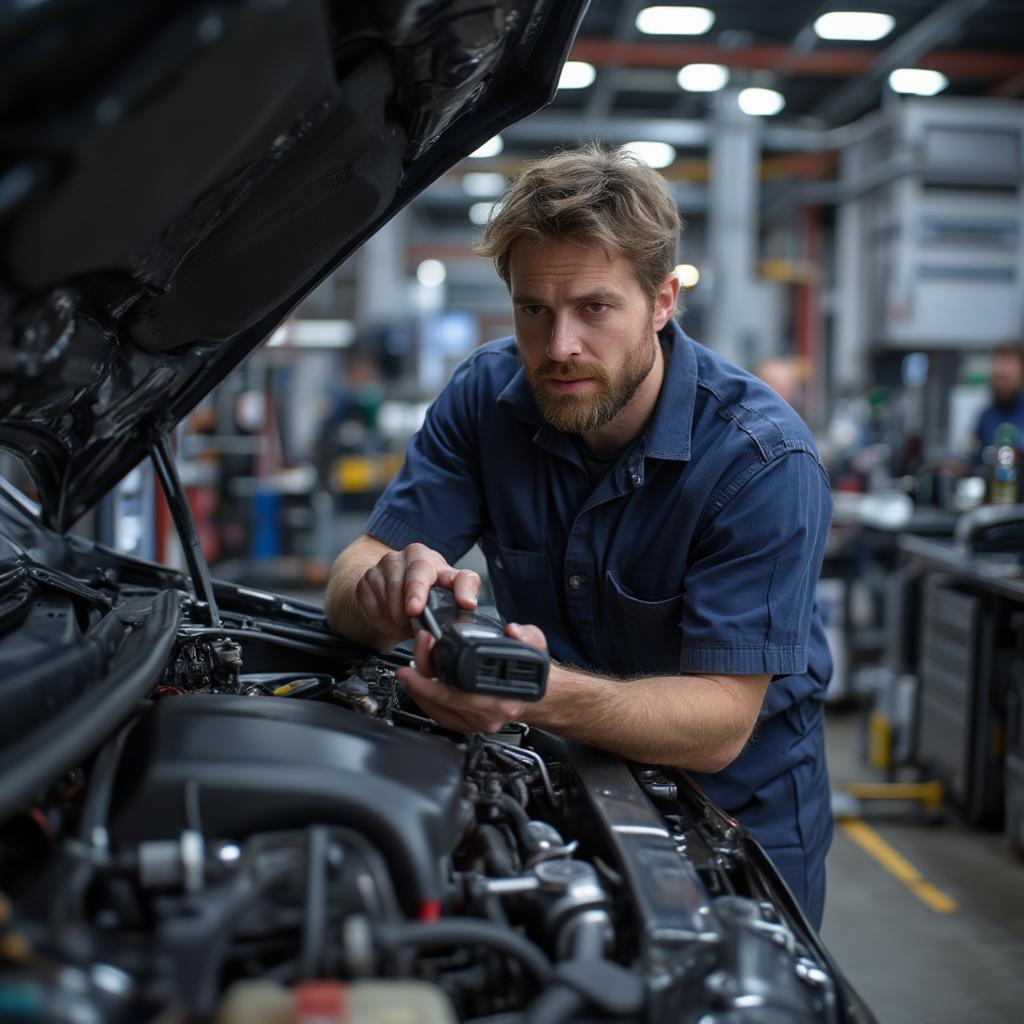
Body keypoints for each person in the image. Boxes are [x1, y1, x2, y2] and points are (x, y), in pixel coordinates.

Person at [325, 145, 834, 928]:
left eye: (595, 308)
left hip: (734, 829)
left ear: (663, 302)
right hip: (558, 784)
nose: (559, 347)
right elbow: (352, 573)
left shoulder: (761, 460)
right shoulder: (485, 398)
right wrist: (390, 586)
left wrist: (529, 690)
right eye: (534, 310)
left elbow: (721, 722)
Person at [972, 344, 1024, 461]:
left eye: (1006, 379)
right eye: (997, 379)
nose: (1001, 385)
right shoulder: (986, 416)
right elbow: (975, 458)